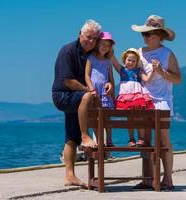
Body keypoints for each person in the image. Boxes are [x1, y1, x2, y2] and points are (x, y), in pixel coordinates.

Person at [52, 20, 113, 188]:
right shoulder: (68, 51)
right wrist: (89, 91)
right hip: (63, 95)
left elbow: (103, 65)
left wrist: (109, 82)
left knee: (71, 136)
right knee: (87, 98)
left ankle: (69, 176)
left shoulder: (93, 53)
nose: (91, 41)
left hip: (79, 98)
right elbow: (68, 81)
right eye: (88, 37)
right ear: (80, 33)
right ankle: (87, 137)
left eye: (94, 39)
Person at [131, 15, 181, 190]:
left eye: (149, 33)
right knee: (143, 140)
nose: (145, 37)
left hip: (162, 102)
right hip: (143, 102)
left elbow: (177, 79)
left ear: (160, 35)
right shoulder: (138, 52)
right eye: (144, 34)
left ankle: (167, 179)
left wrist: (161, 71)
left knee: (163, 142)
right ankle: (147, 179)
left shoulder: (167, 54)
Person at [111, 48, 155, 147]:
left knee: (139, 116)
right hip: (126, 97)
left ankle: (141, 138)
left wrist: (153, 71)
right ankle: (131, 139)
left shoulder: (138, 71)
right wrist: (111, 53)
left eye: (133, 61)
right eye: (129, 60)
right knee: (129, 118)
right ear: (124, 60)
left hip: (137, 96)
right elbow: (113, 61)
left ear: (136, 63)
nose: (131, 62)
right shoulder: (122, 70)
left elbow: (147, 79)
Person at [85, 31, 115, 147]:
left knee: (107, 117)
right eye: (103, 44)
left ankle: (109, 140)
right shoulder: (91, 58)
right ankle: (98, 140)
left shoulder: (108, 62)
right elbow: (87, 75)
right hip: (94, 92)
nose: (105, 47)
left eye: (107, 45)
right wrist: (91, 89)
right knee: (94, 117)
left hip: (105, 93)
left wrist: (111, 86)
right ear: (97, 44)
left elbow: (111, 78)